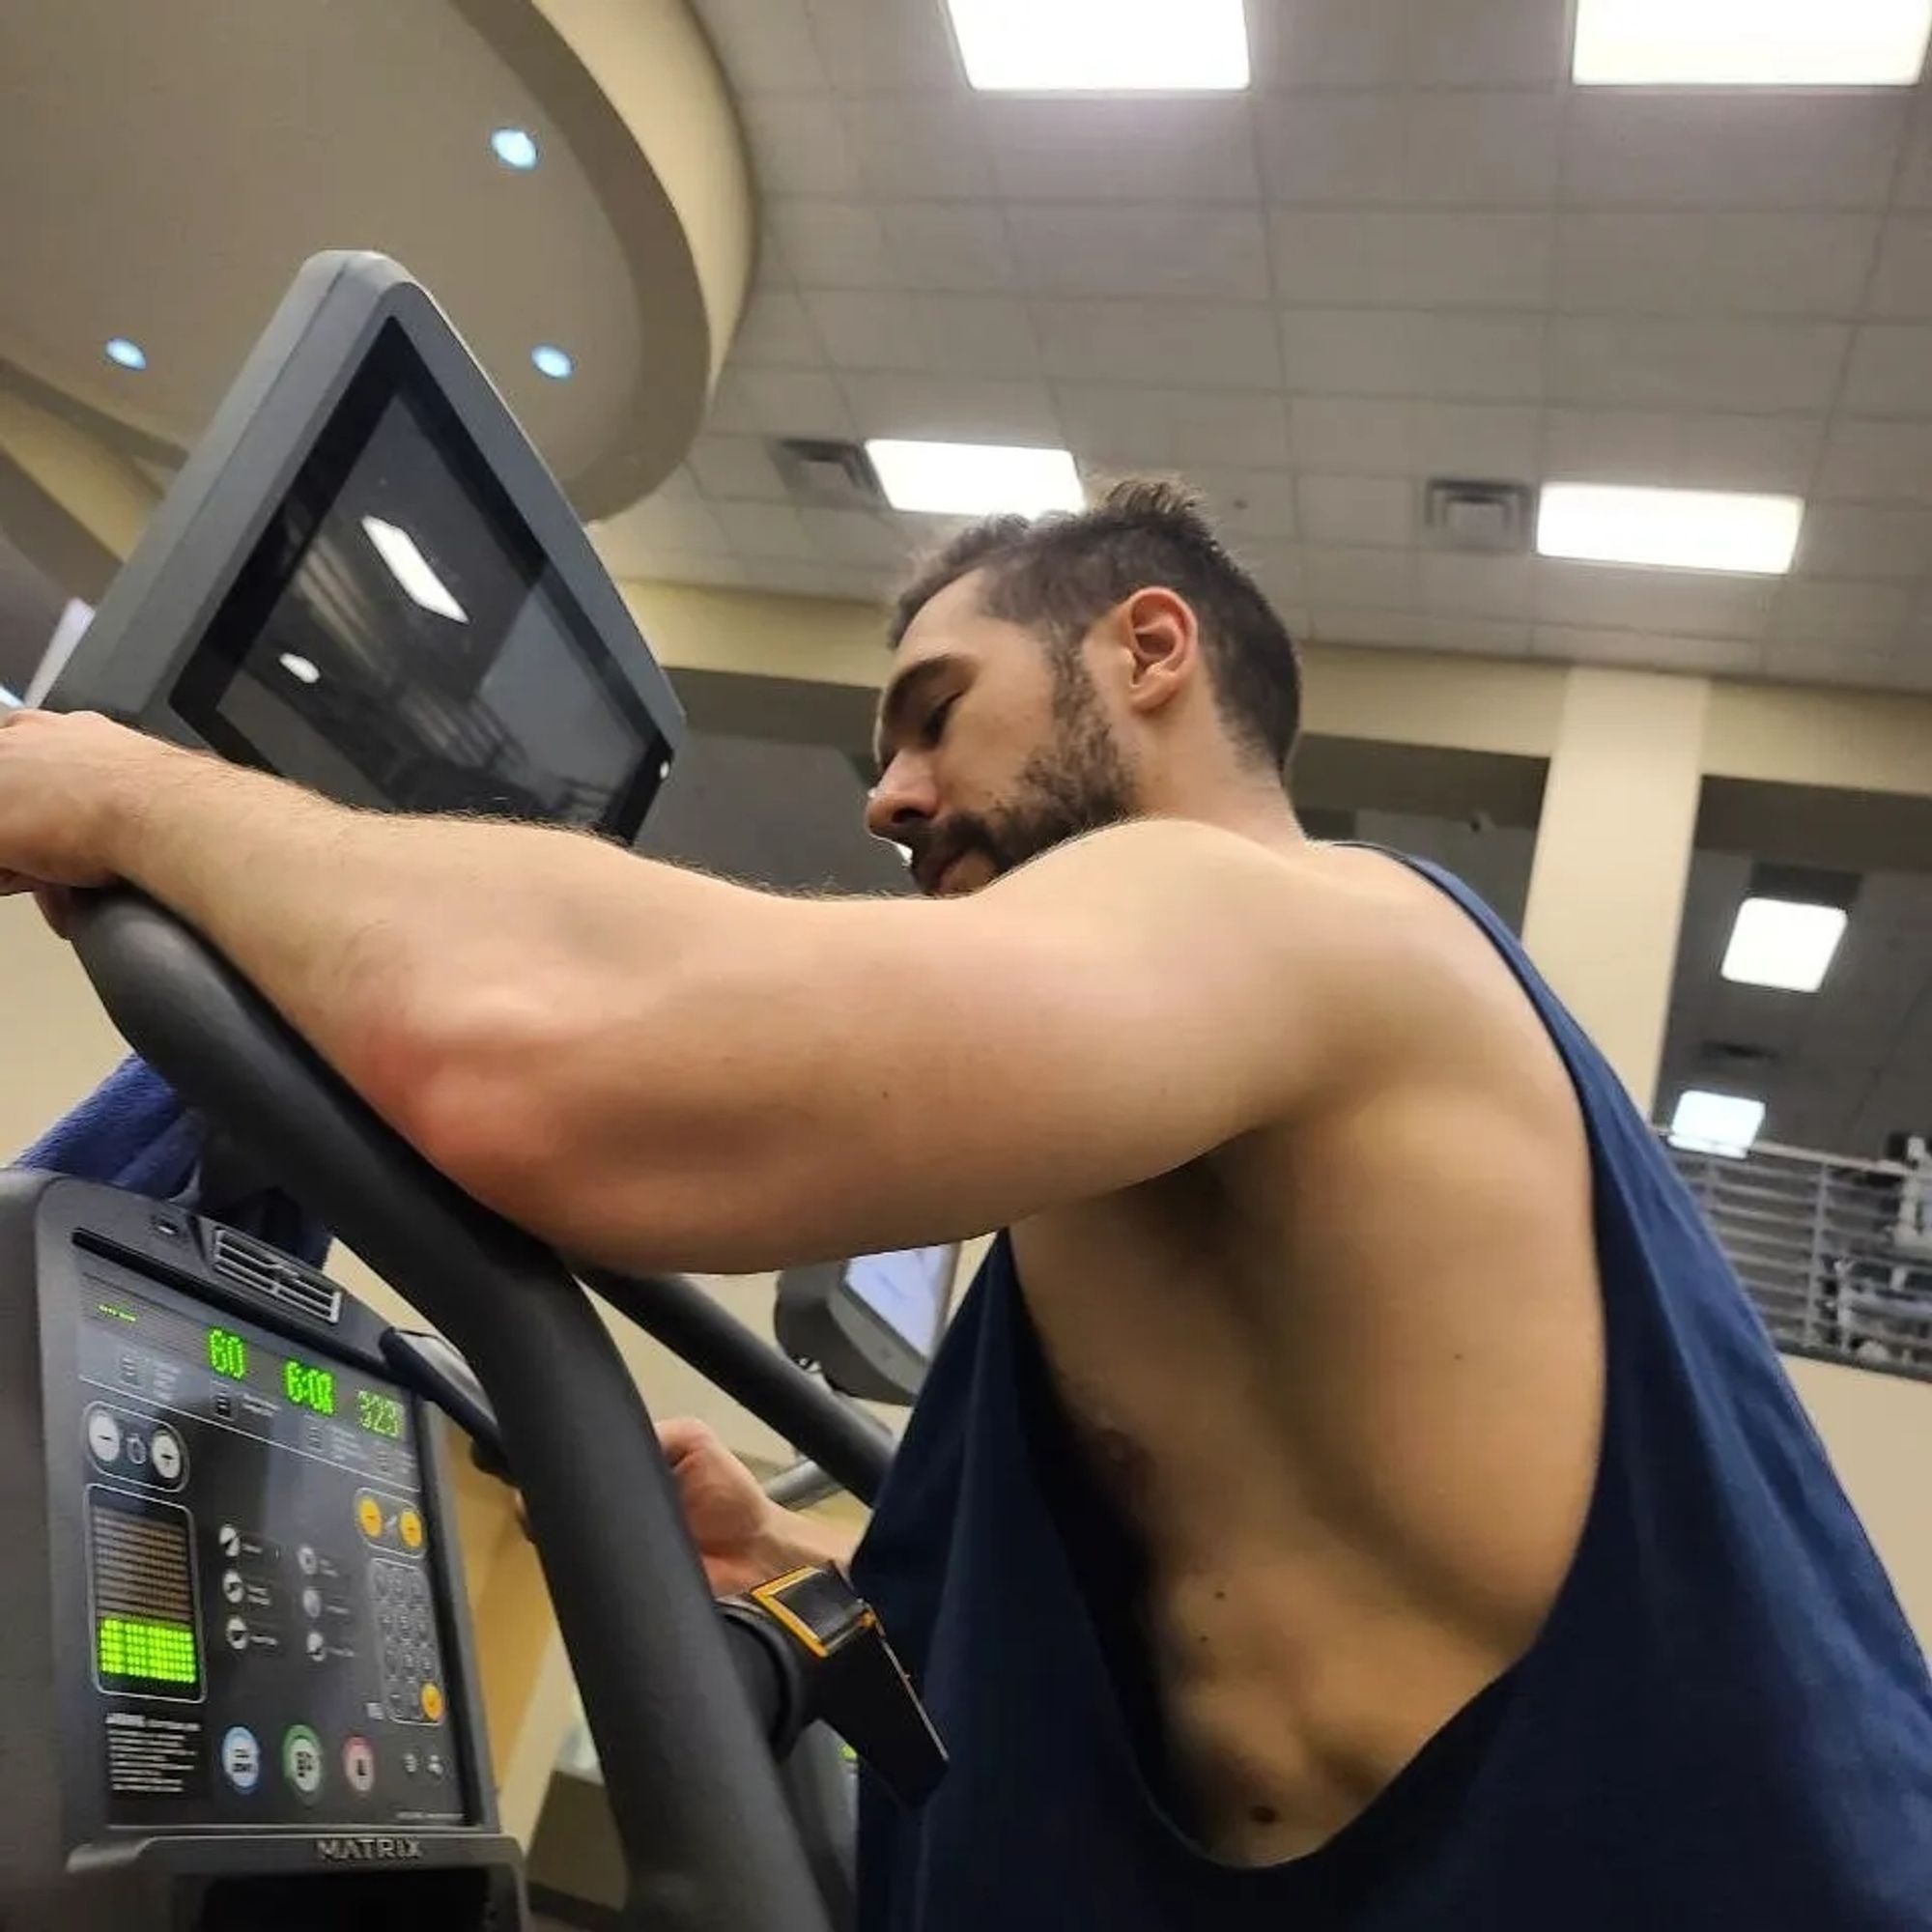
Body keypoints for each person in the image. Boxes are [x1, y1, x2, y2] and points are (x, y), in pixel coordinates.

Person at [2, 480, 1929, 1928]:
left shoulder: (1294, 921)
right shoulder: (1137, 1159)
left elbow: (556, 1068)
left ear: (1148, 652)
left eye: (938, 711)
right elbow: (1162, 1699)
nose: (892, 793)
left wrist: (123, 796)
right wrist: (791, 1582)